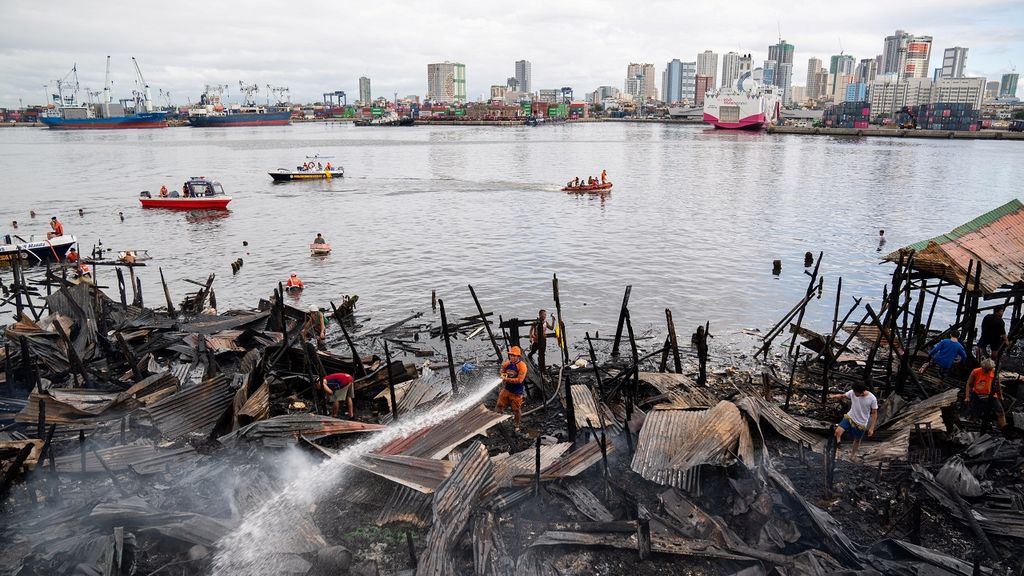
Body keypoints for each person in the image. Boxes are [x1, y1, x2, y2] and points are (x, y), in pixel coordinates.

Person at [828, 382, 878, 458]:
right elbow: (843, 395)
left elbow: (874, 413)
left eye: (855, 392)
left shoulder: (872, 399)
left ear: (861, 392)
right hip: (850, 417)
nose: (854, 393)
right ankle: (838, 444)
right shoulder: (853, 392)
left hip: (861, 423)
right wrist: (833, 396)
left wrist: (871, 428)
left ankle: (852, 455)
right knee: (837, 432)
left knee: (857, 440)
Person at [964, 359, 1008, 431]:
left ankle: (1005, 428)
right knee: (974, 413)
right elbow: (969, 384)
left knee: (1000, 412)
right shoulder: (976, 371)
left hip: (991, 395)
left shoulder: (994, 372)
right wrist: (967, 396)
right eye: (985, 369)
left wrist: (1001, 396)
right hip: (977, 394)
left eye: (988, 369)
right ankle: (970, 427)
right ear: (982, 367)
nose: (986, 371)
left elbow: (998, 386)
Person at [495, 346, 528, 433]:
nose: (512, 357)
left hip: (517, 392)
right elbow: (502, 373)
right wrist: (503, 376)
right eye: (511, 355)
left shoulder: (522, 366)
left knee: (516, 410)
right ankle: (499, 421)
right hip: (506, 390)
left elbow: (520, 380)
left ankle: (517, 425)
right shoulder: (507, 364)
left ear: (518, 356)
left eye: (514, 356)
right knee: (499, 405)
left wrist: (507, 379)